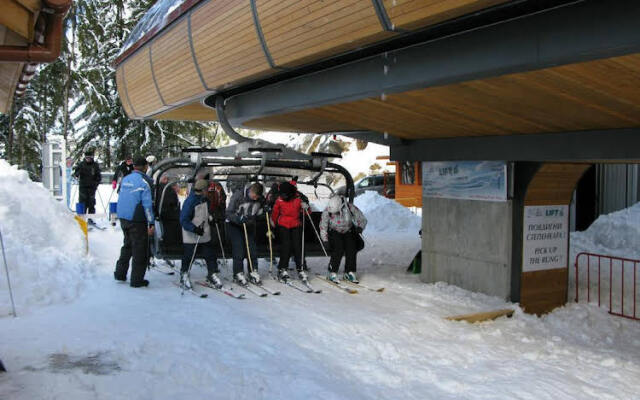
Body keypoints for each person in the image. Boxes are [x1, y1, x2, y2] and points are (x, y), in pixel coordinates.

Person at [114, 157, 155, 287]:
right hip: (136, 219)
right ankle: (137, 280)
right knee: (139, 249)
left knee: (127, 245)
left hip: (123, 216)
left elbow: (121, 194)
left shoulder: (126, 179)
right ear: (145, 167)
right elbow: (147, 204)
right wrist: (151, 222)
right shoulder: (145, 181)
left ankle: (120, 273)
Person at [179, 179, 222, 289]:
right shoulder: (190, 201)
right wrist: (194, 228)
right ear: (202, 190)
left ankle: (212, 274)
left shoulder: (205, 200)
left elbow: (206, 213)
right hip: (191, 234)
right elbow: (183, 219)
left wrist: (211, 219)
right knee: (189, 255)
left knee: (210, 254)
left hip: (204, 233)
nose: (208, 191)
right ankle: (184, 274)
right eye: (207, 189)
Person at [319, 194, 367, 283]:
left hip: (348, 230)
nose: (334, 214)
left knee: (351, 249)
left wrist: (360, 227)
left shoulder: (349, 208)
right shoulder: (327, 211)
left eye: (336, 212)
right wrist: (325, 240)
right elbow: (323, 226)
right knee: (338, 249)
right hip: (334, 231)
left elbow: (362, 219)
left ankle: (349, 272)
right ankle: (332, 272)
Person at [226, 182, 265, 286]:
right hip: (235, 225)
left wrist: (264, 212)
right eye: (254, 196)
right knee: (239, 249)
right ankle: (238, 273)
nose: (255, 198)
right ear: (251, 191)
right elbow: (228, 213)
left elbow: (258, 213)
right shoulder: (238, 196)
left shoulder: (260, 199)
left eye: (257, 197)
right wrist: (238, 219)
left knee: (252, 249)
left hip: (249, 225)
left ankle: (253, 271)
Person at [271, 181, 309, 282]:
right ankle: (282, 268)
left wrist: (306, 208)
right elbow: (275, 212)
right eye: (282, 194)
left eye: (285, 195)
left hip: (296, 224)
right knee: (286, 246)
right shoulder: (279, 200)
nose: (283, 196)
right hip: (283, 224)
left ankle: (300, 267)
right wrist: (273, 223)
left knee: (298, 246)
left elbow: (307, 212)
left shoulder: (298, 198)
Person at [73, 148, 101, 215]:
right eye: (86, 158)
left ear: (92, 157)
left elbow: (98, 176)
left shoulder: (95, 165)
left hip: (92, 187)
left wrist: (96, 183)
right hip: (83, 187)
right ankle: (82, 216)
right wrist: (77, 174)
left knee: (91, 202)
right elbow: (76, 173)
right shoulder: (81, 164)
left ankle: (91, 218)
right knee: (82, 202)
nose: (88, 159)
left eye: (89, 157)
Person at [156, 175, 181, 246]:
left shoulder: (157, 188)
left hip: (162, 215)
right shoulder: (168, 189)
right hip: (170, 216)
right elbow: (173, 202)